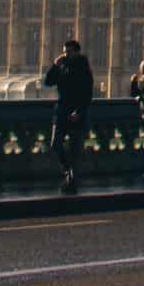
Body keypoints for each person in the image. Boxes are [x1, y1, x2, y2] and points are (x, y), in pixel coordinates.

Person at [42, 37, 95, 194]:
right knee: (55, 144)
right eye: (64, 52)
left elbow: (87, 94)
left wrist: (78, 111)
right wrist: (54, 65)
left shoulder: (84, 69)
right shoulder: (62, 65)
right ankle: (68, 171)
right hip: (62, 111)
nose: (66, 55)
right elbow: (48, 82)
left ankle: (72, 180)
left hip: (76, 113)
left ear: (77, 52)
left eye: (69, 52)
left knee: (74, 150)